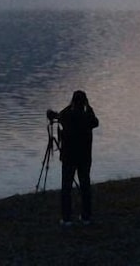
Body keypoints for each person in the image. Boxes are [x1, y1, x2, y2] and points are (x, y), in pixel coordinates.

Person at [48, 89, 99, 225]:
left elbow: (58, 116)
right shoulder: (88, 116)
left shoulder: (67, 115)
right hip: (85, 157)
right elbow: (96, 122)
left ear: (73, 101)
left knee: (66, 187)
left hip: (69, 157)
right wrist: (89, 107)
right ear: (85, 102)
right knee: (85, 186)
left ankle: (66, 218)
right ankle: (86, 217)